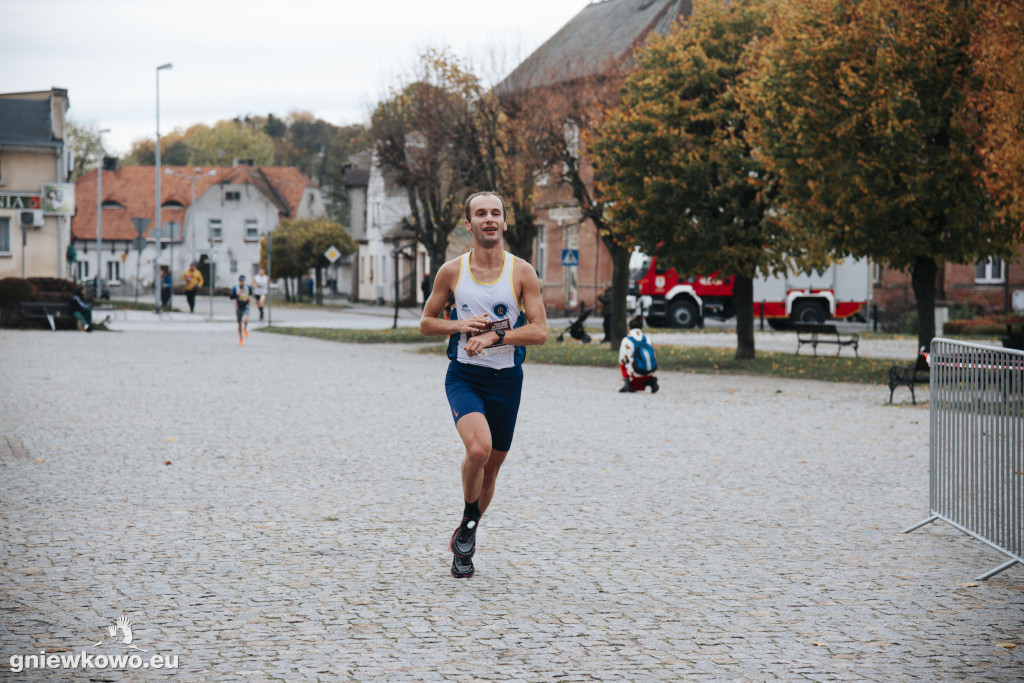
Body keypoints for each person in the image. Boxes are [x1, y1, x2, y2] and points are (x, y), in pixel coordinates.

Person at [419, 191, 548, 579]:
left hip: (507, 380)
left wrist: (497, 337)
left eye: (495, 213)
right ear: (469, 224)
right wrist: (459, 324)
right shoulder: (452, 271)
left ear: (505, 223)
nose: (489, 219)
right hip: (465, 376)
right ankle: (468, 526)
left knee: (491, 470)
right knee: (478, 450)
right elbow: (426, 323)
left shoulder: (522, 271)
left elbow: (540, 332)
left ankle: (467, 530)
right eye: (481, 214)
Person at [618, 314, 659, 393]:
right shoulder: (647, 339)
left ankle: (627, 382)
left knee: (622, 363)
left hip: (636, 372)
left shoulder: (626, 340)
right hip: (650, 371)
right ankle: (650, 380)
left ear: (629, 327)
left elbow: (622, 359)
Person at [230, 275, 252, 346]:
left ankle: (245, 328)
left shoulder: (247, 287)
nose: (242, 283)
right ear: (239, 281)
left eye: (243, 281)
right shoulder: (235, 288)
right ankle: (241, 338)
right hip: (238, 307)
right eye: (241, 281)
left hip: (246, 306)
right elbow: (231, 296)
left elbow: (251, 294)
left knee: (245, 319)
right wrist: (237, 294)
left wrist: (250, 298)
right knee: (239, 324)